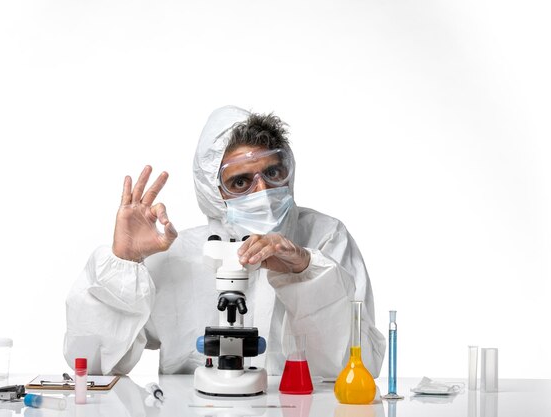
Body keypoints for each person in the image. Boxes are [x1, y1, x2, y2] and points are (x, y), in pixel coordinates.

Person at [64, 105, 386, 377]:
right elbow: (92, 365)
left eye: (273, 173)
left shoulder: (324, 238)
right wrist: (124, 263)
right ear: (212, 191)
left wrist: (305, 271)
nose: (263, 193)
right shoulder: (177, 256)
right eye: (241, 181)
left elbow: (358, 367)